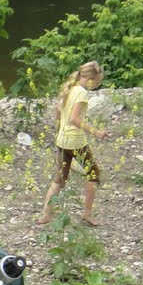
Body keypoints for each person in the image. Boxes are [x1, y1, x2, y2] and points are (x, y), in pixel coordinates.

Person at [37, 61, 107, 226]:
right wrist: (95, 132)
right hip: (75, 141)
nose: (95, 86)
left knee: (60, 178)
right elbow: (75, 119)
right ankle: (87, 214)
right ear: (89, 79)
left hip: (62, 139)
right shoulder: (82, 93)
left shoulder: (69, 88)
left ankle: (46, 214)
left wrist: (59, 130)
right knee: (93, 173)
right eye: (96, 83)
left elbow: (58, 110)